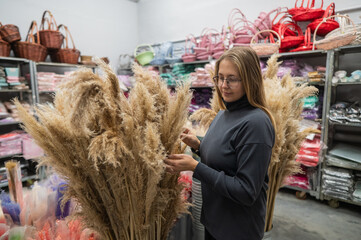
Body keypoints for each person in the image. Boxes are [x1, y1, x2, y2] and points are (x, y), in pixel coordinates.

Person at [164, 47, 275, 240]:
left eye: (232, 79)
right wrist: (198, 143)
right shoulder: (225, 112)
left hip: (237, 230)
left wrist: (195, 167)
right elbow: (228, 152)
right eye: (220, 78)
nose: (223, 85)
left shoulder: (256, 124)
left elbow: (246, 191)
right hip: (215, 221)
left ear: (249, 80)